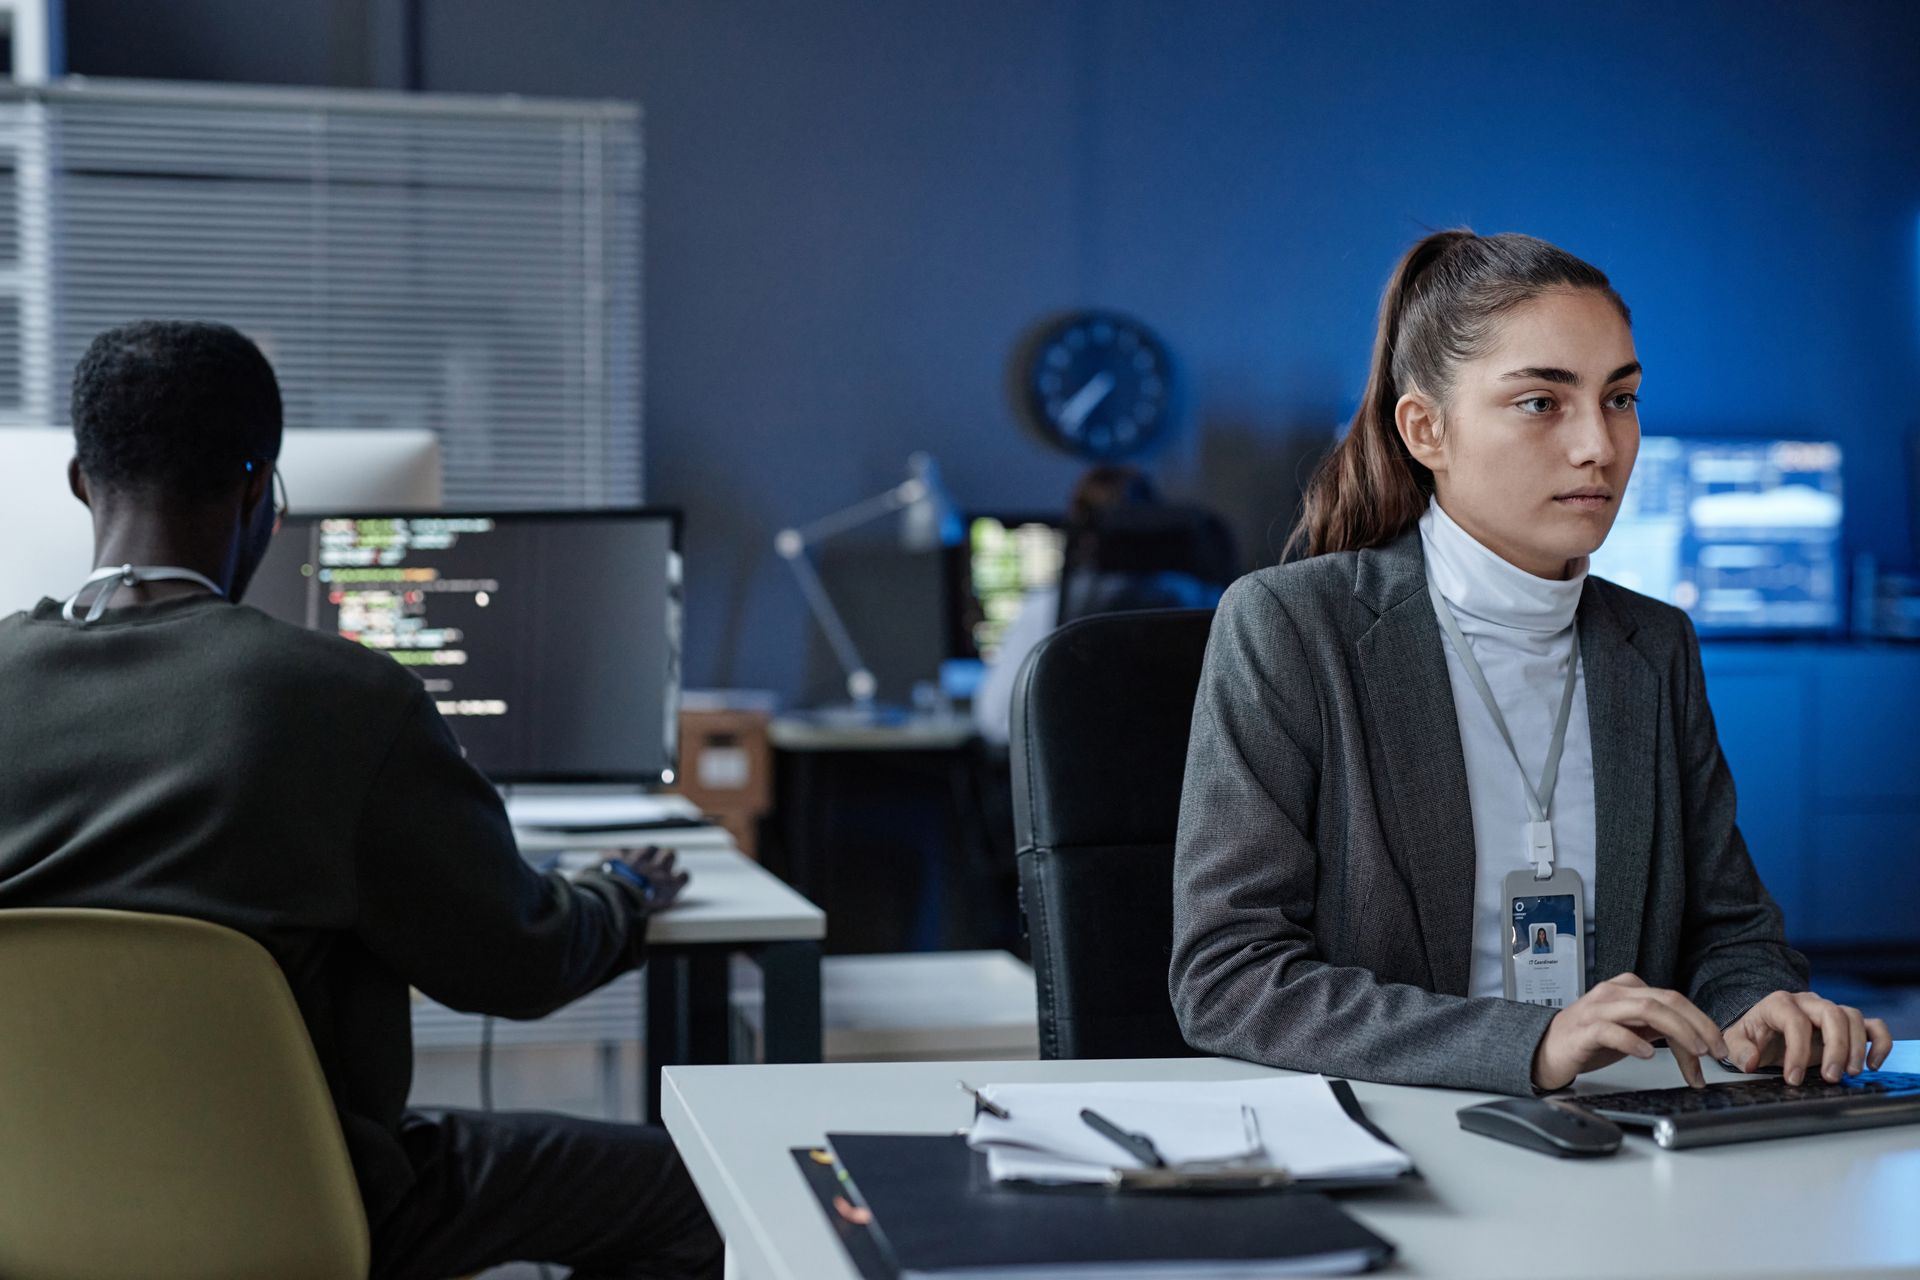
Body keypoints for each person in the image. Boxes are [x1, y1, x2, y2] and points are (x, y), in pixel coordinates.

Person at [0, 321, 722, 1280]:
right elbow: (518, 965)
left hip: (31, 1212)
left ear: (83, 482)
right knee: (710, 1193)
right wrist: (619, 893)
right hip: (314, 1205)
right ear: (263, 489)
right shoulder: (347, 704)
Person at [1170, 231, 1892, 1097]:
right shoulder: (1292, 626)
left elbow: (1729, 930)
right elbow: (1229, 977)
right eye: (1541, 403)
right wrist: (1530, 1044)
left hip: (1619, 1138)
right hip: (1390, 1132)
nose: (1600, 445)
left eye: (1620, 398)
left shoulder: (1653, 644)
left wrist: (1761, 1004)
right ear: (1426, 429)